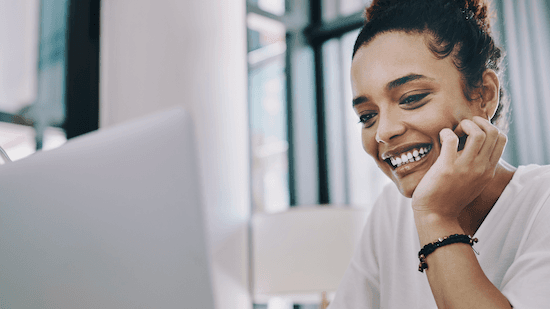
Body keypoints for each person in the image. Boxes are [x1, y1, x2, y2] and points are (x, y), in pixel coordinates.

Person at [328, 0, 550, 308]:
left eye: (412, 98)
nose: (383, 132)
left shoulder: (543, 202)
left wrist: (436, 217)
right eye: (367, 116)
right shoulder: (391, 211)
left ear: (483, 95)